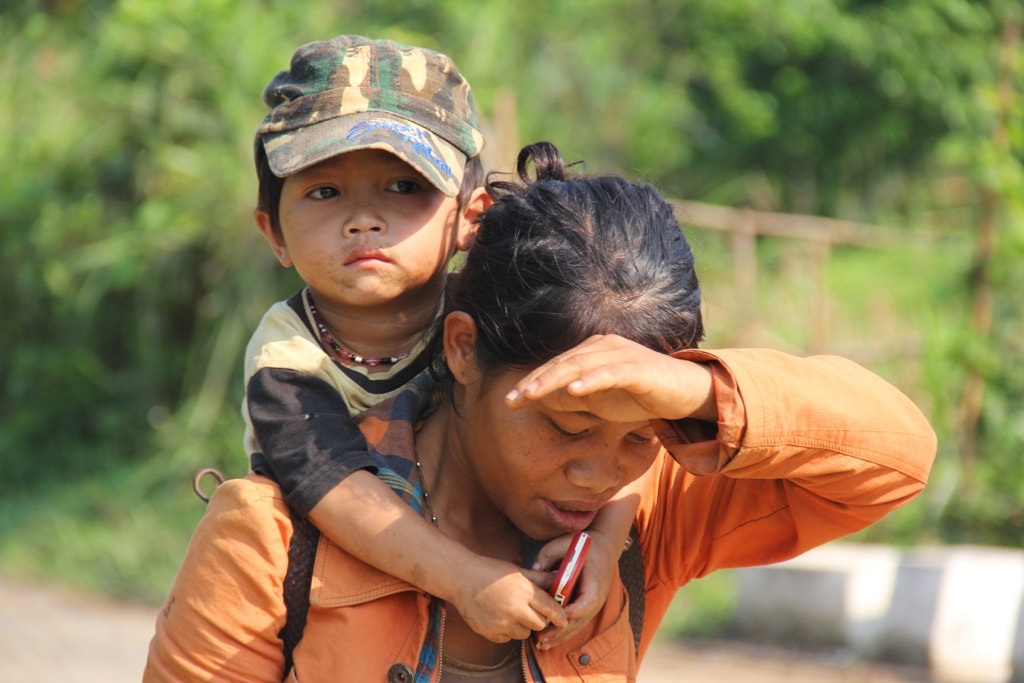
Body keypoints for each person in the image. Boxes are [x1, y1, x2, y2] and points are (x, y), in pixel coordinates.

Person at [145, 140, 936, 681]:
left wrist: (699, 393)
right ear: (462, 350)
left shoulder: (640, 522)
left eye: (641, 434)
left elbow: (896, 459)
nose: (598, 473)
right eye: (566, 424)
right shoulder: (274, 539)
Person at [241, 34, 635, 650]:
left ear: (469, 217)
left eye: (404, 188)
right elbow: (338, 492)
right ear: (275, 233)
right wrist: (466, 579)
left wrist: (604, 544)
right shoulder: (287, 361)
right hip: (339, 596)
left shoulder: (501, 314)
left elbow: (618, 414)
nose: (363, 219)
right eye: (324, 191)